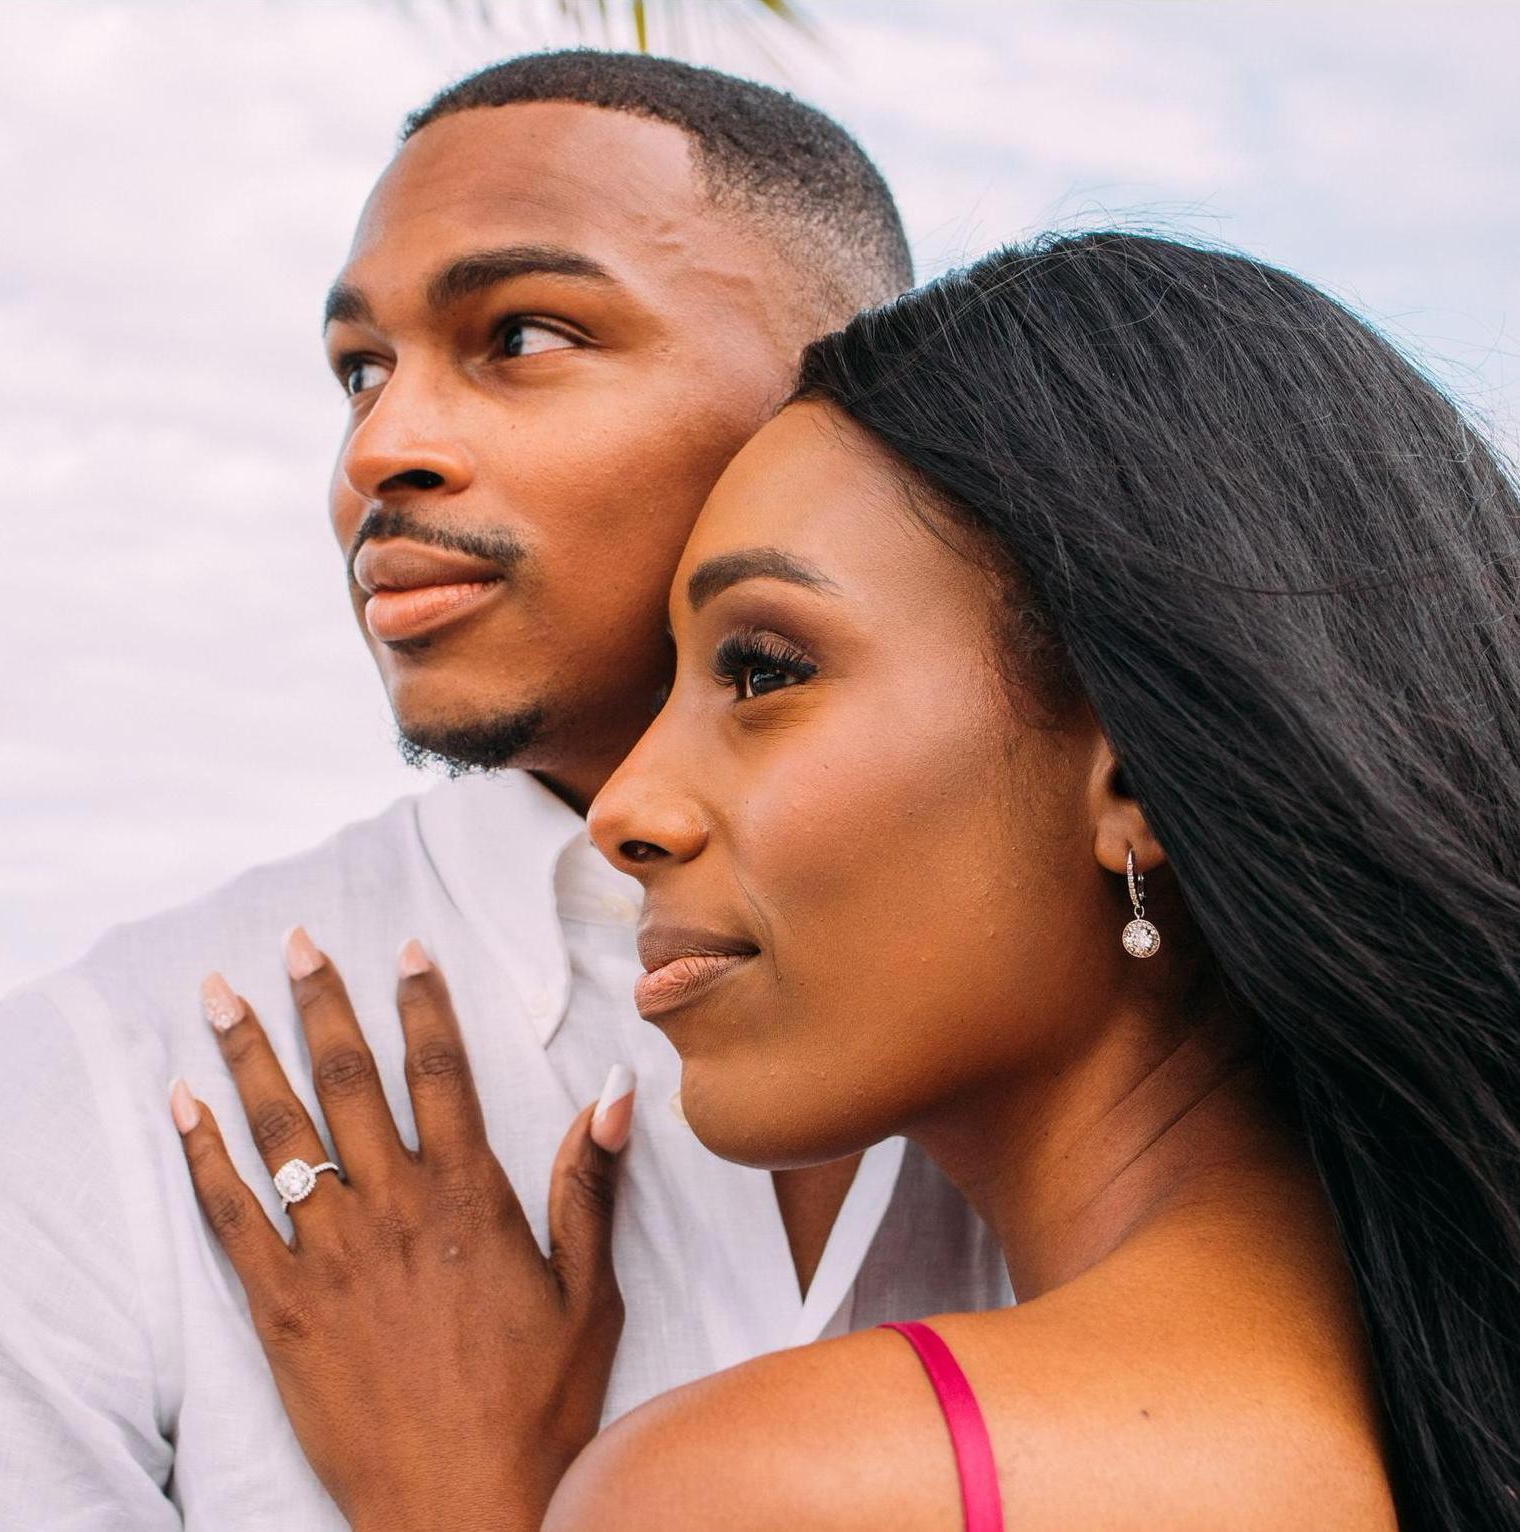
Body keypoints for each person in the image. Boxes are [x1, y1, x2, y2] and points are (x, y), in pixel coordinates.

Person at [176, 233, 1520, 1529]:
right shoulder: (1426, 1422)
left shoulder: (770, 1489)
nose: (625, 813)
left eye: (762, 670)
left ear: (1135, 784)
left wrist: (454, 1503)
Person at [0, 53, 1010, 1528]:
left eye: (521, 335)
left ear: (835, 402)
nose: (377, 452)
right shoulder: (93, 1097)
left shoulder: (1149, 1034)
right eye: (359, 370)